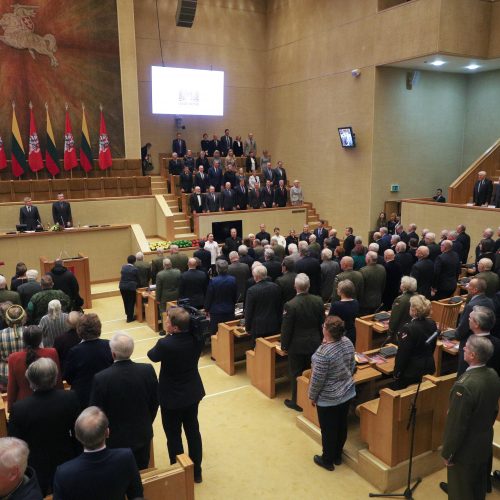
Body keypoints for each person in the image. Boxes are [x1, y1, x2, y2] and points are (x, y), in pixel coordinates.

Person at [147, 308, 205, 483]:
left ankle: (179, 471)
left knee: (173, 435)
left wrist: (167, 336)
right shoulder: (197, 339)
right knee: (193, 431)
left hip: (171, 397)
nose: (165, 323)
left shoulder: (166, 344)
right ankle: (197, 472)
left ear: (175, 327)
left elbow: (152, 356)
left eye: (168, 322)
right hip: (192, 392)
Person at [440, 336, 500, 499]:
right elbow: (495, 409)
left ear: (472, 355)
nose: (463, 349)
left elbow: (456, 425)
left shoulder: (464, 386)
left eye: (466, 347)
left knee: (460, 492)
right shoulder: (493, 374)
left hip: (464, 451)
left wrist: (448, 453)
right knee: (477, 489)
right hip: (484, 442)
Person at [8, 358, 79, 496]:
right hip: (67, 457)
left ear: (30, 380)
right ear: (54, 377)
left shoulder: (19, 409)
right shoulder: (70, 397)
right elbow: (78, 431)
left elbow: (15, 441)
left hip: (36, 463)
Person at [90, 332, 158, 470]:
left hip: (115, 440)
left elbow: (96, 411)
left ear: (113, 354)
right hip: (142, 433)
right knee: (142, 472)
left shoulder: (101, 378)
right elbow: (155, 401)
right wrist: (147, 420)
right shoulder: (147, 370)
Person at [53, 406, 143, 500]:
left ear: (77, 436)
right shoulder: (126, 458)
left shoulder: (64, 473)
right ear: (107, 432)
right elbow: (137, 495)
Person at [308, 315, 355, 471]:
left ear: (326, 331)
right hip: (347, 391)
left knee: (328, 429)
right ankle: (337, 456)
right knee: (342, 425)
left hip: (329, 398)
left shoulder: (322, 354)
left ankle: (327, 459)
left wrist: (312, 397)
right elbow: (352, 365)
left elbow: (317, 380)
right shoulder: (347, 342)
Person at [281, 273, 324, 411]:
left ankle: (297, 401)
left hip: (297, 345)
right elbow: (321, 323)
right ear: (309, 286)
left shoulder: (290, 305)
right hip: (315, 341)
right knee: (311, 371)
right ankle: (310, 398)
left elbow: (287, 329)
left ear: (295, 287)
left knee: (296, 373)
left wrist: (284, 346)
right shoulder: (318, 300)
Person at [63, 314, 113, 408]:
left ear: (79, 330)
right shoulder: (109, 345)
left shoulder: (74, 351)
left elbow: (68, 377)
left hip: (83, 398)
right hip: (106, 393)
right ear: (99, 328)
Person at [7, 325, 62, 408]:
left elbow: (12, 387)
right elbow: (57, 379)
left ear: (23, 340)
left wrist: (11, 408)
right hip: (51, 401)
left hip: (24, 403)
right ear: (40, 339)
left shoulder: (14, 358)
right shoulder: (52, 352)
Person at [392, 295, 437, 389]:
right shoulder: (432, 323)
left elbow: (403, 354)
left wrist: (397, 372)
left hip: (411, 371)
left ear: (414, 311)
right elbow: (432, 346)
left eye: (410, 306)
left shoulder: (408, 328)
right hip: (429, 366)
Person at [455, 278, 495, 376]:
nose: (466, 286)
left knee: (463, 373)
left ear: (475, 290)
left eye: (469, 285)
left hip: (470, 342)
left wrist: (455, 335)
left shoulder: (471, 306)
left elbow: (462, 330)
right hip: (486, 341)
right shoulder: (490, 301)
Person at [244, 266, 282, 340]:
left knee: (258, 350)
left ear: (256, 277)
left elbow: (249, 311)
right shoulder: (275, 287)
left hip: (258, 328)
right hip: (274, 325)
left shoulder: (251, 291)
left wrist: (247, 327)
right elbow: (279, 307)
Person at [204, 260, 237, 334]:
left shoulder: (213, 281)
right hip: (229, 309)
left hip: (216, 312)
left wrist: (206, 309)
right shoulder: (233, 279)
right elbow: (234, 295)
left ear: (217, 269)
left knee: (216, 333)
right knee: (229, 333)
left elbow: (209, 297)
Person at [0, 305, 26, 392]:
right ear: (23, 318)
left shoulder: (0, 334)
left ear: (7, 320)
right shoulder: (30, 331)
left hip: (6, 375)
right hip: (26, 372)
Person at [387, 276, 417, 342]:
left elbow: (395, 318)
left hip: (401, 331)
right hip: (413, 329)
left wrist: (390, 332)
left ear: (404, 287)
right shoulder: (417, 296)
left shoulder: (400, 300)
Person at [328, 280, 359, 345]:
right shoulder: (356, 302)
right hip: (352, 332)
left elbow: (329, 320)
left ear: (341, 291)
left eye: (338, 288)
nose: (337, 289)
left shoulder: (336, 305)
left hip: (339, 334)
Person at [156, 258, 181, 334]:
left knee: (164, 312)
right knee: (177, 311)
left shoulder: (160, 274)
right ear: (171, 264)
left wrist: (158, 299)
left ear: (163, 265)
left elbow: (158, 288)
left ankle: (164, 329)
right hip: (177, 294)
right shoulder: (178, 272)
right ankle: (177, 327)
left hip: (165, 296)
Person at [118, 255, 139, 323]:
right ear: (134, 261)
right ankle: (129, 318)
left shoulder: (123, 267)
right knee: (131, 302)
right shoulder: (135, 269)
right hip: (130, 288)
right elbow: (137, 279)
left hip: (122, 287)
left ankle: (128, 314)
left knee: (125, 301)